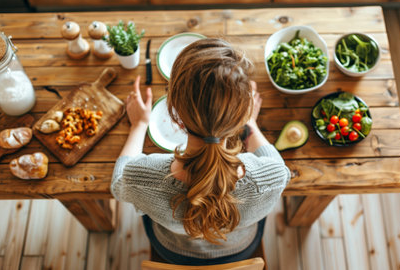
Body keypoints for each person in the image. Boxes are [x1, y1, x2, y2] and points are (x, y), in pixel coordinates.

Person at [111, 38, 291, 265]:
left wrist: (138, 125)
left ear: (174, 116)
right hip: (242, 248)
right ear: (242, 113)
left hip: (172, 250)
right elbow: (276, 163)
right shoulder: (272, 176)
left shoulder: (143, 176)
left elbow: (118, 183)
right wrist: (251, 125)